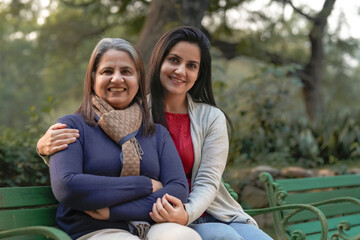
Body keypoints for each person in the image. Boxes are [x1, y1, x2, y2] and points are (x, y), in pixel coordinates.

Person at [37, 27, 273, 240]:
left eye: (191, 65)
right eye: (174, 60)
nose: (181, 71)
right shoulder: (138, 112)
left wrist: (185, 213)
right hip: (154, 213)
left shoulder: (177, 123)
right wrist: (148, 185)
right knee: (223, 238)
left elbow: (199, 182)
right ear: (158, 62)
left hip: (198, 209)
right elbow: (69, 181)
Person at [46, 37, 201, 240]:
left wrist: (114, 211)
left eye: (126, 72)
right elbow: (68, 186)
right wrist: (146, 184)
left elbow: (178, 189)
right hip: (94, 228)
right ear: (93, 78)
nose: (117, 79)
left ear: (138, 79)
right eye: (107, 71)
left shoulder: (156, 133)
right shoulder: (72, 126)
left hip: (151, 224)